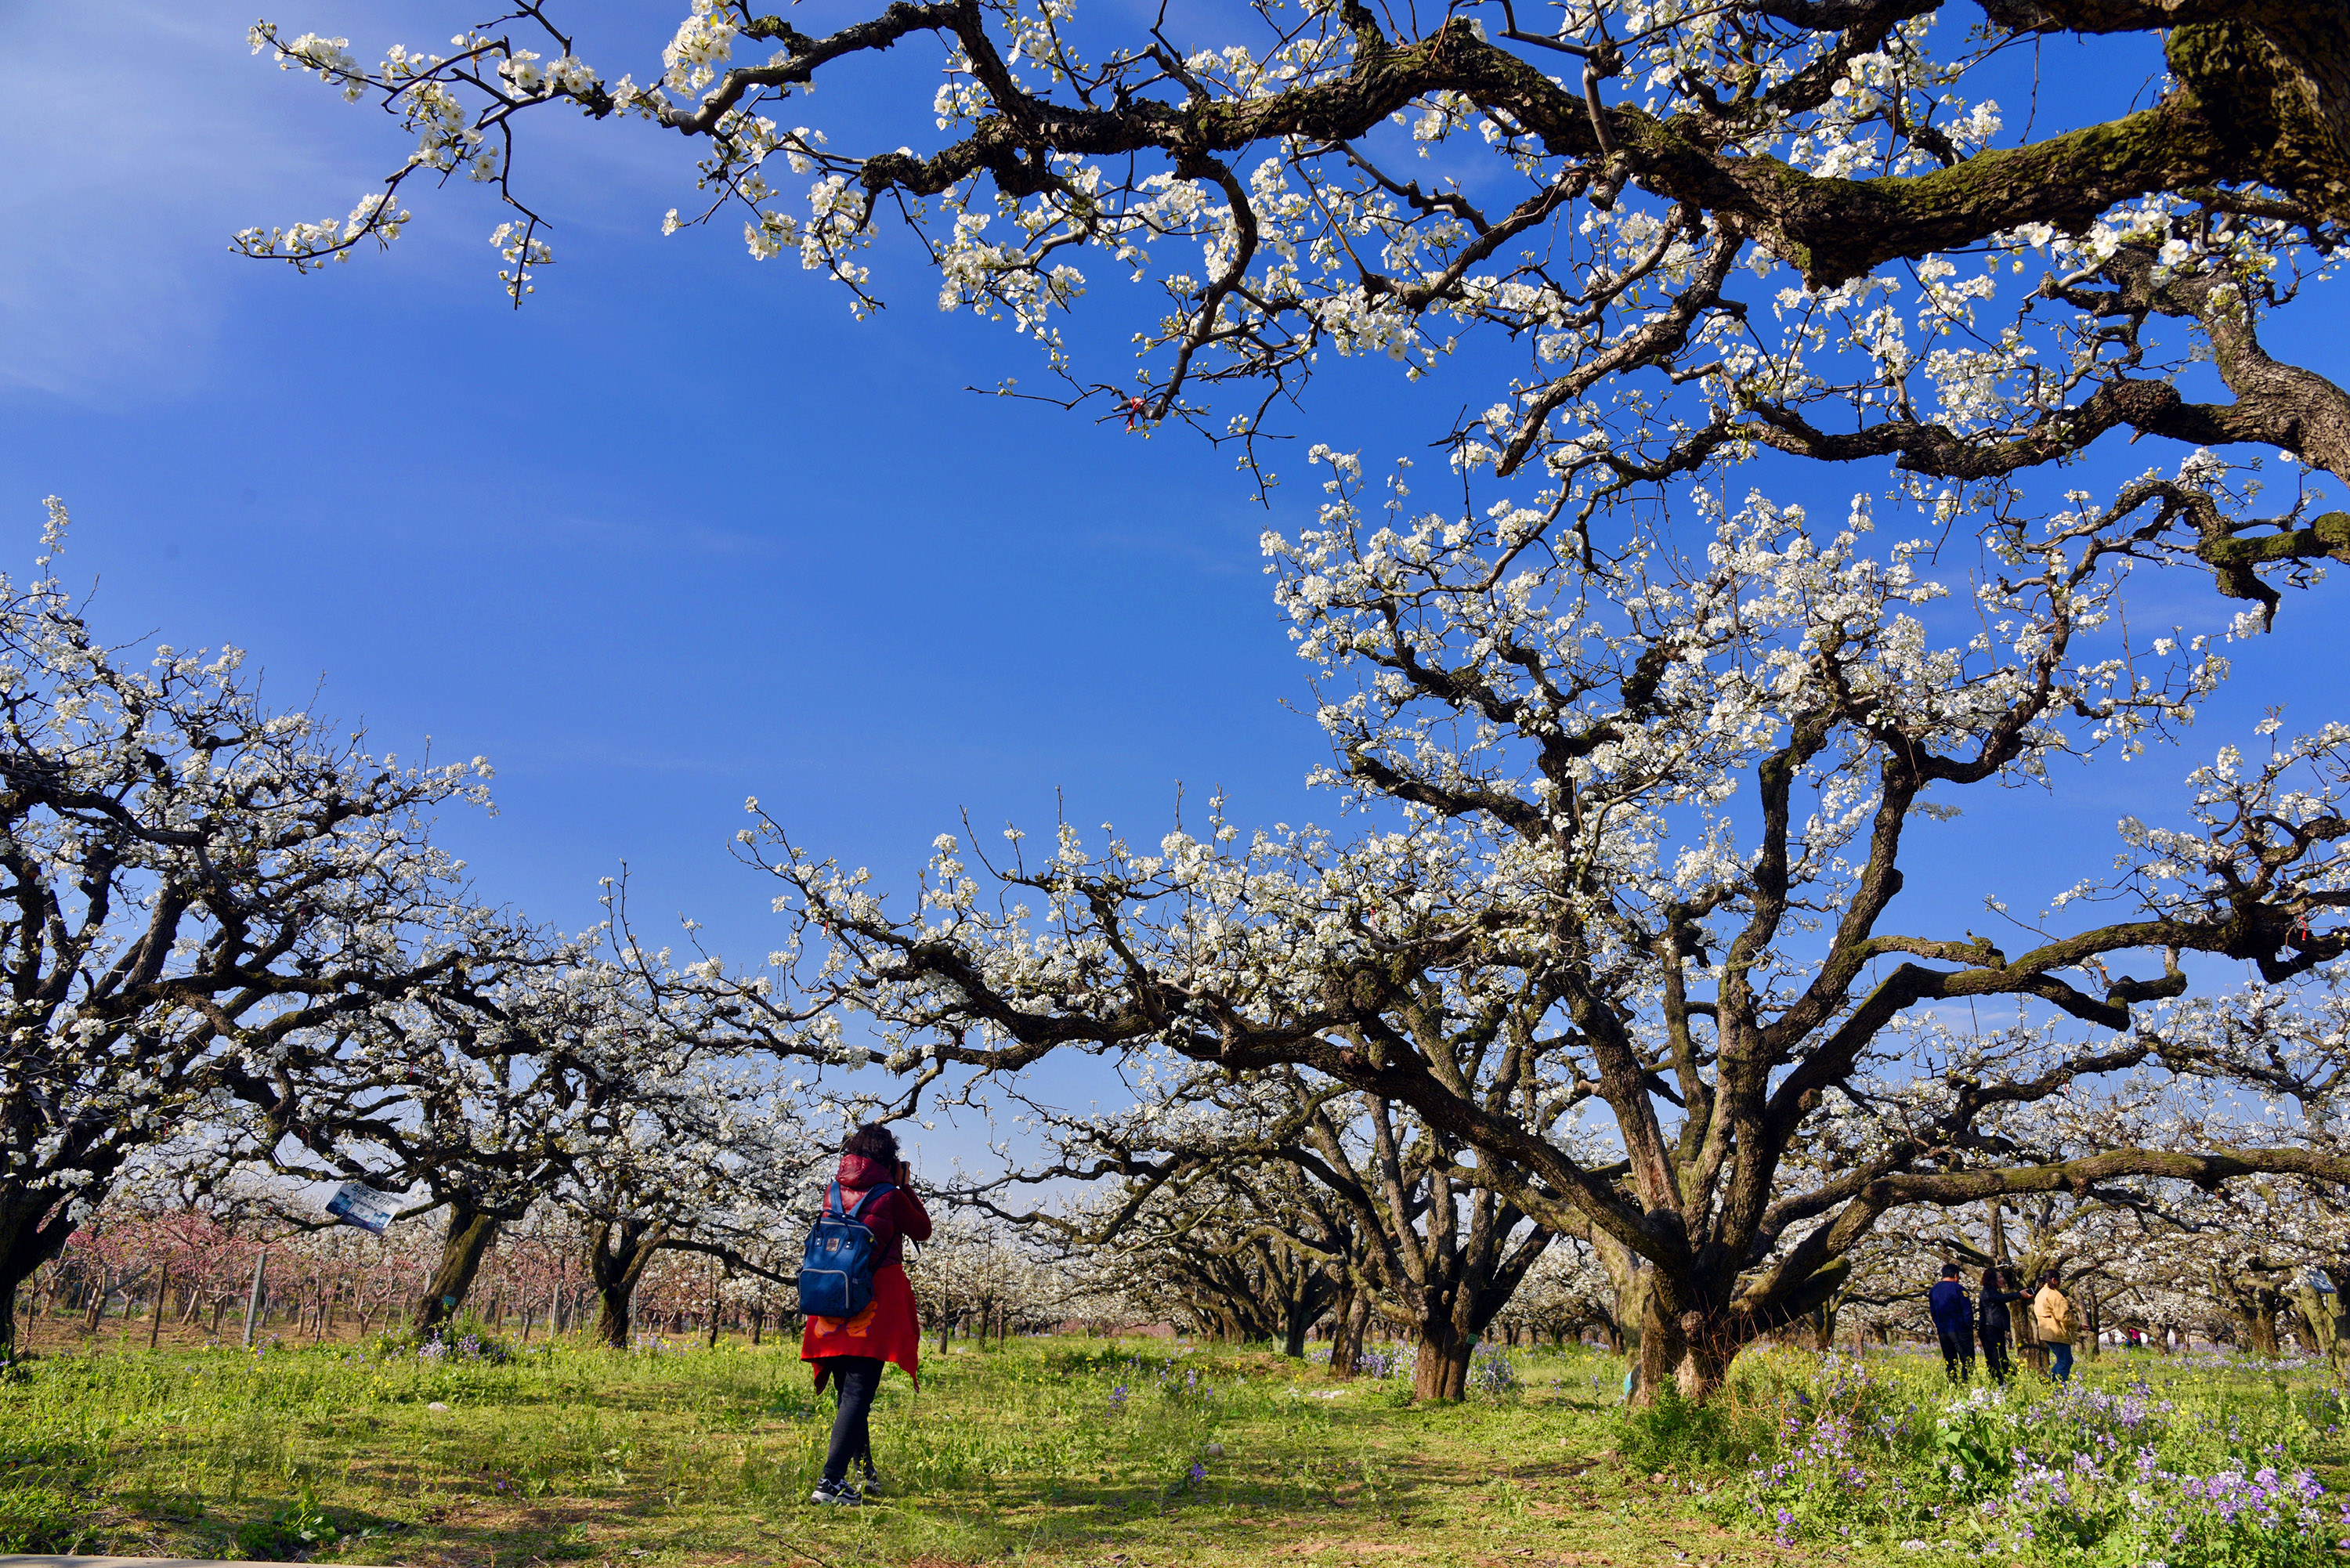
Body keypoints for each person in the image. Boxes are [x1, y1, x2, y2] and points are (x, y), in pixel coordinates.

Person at [801, 1122, 931, 1506]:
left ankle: (865, 1475)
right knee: (859, 1392)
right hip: (874, 1303)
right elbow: (922, 1230)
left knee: (849, 1394)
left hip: (831, 1300)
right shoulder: (891, 1195)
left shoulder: (832, 1192)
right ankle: (829, 1483)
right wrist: (904, 1185)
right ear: (888, 1160)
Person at [1976, 1264, 2025, 1386]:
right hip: (1990, 1329)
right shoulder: (1988, 1292)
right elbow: (2001, 1298)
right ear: (1992, 1280)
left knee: (2001, 1357)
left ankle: (2006, 1381)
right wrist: (2019, 1294)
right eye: (2000, 1277)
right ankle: (1999, 1383)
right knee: (1995, 1359)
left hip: (1994, 1328)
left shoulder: (1991, 1291)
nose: (2002, 1280)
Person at [1929, 1262, 1975, 1383]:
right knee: (1967, 1360)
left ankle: (1952, 1385)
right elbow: (1967, 1311)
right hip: (1960, 1330)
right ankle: (1966, 1384)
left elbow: (1933, 1313)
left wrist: (1940, 1326)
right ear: (1956, 1276)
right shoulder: (1959, 1289)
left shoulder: (1933, 1290)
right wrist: (1969, 1328)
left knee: (1950, 1361)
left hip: (1943, 1331)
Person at [2032, 1270, 2076, 1385]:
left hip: (2046, 1332)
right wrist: (2079, 1325)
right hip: (2057, 1332)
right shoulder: (2055, 1295)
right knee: (2065, 1361)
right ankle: (2059, 1388)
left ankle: (2048, 1381)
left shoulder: (2041, 1293)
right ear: (2054, 1280)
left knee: (2065, 1360)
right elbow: (2064, 1316)